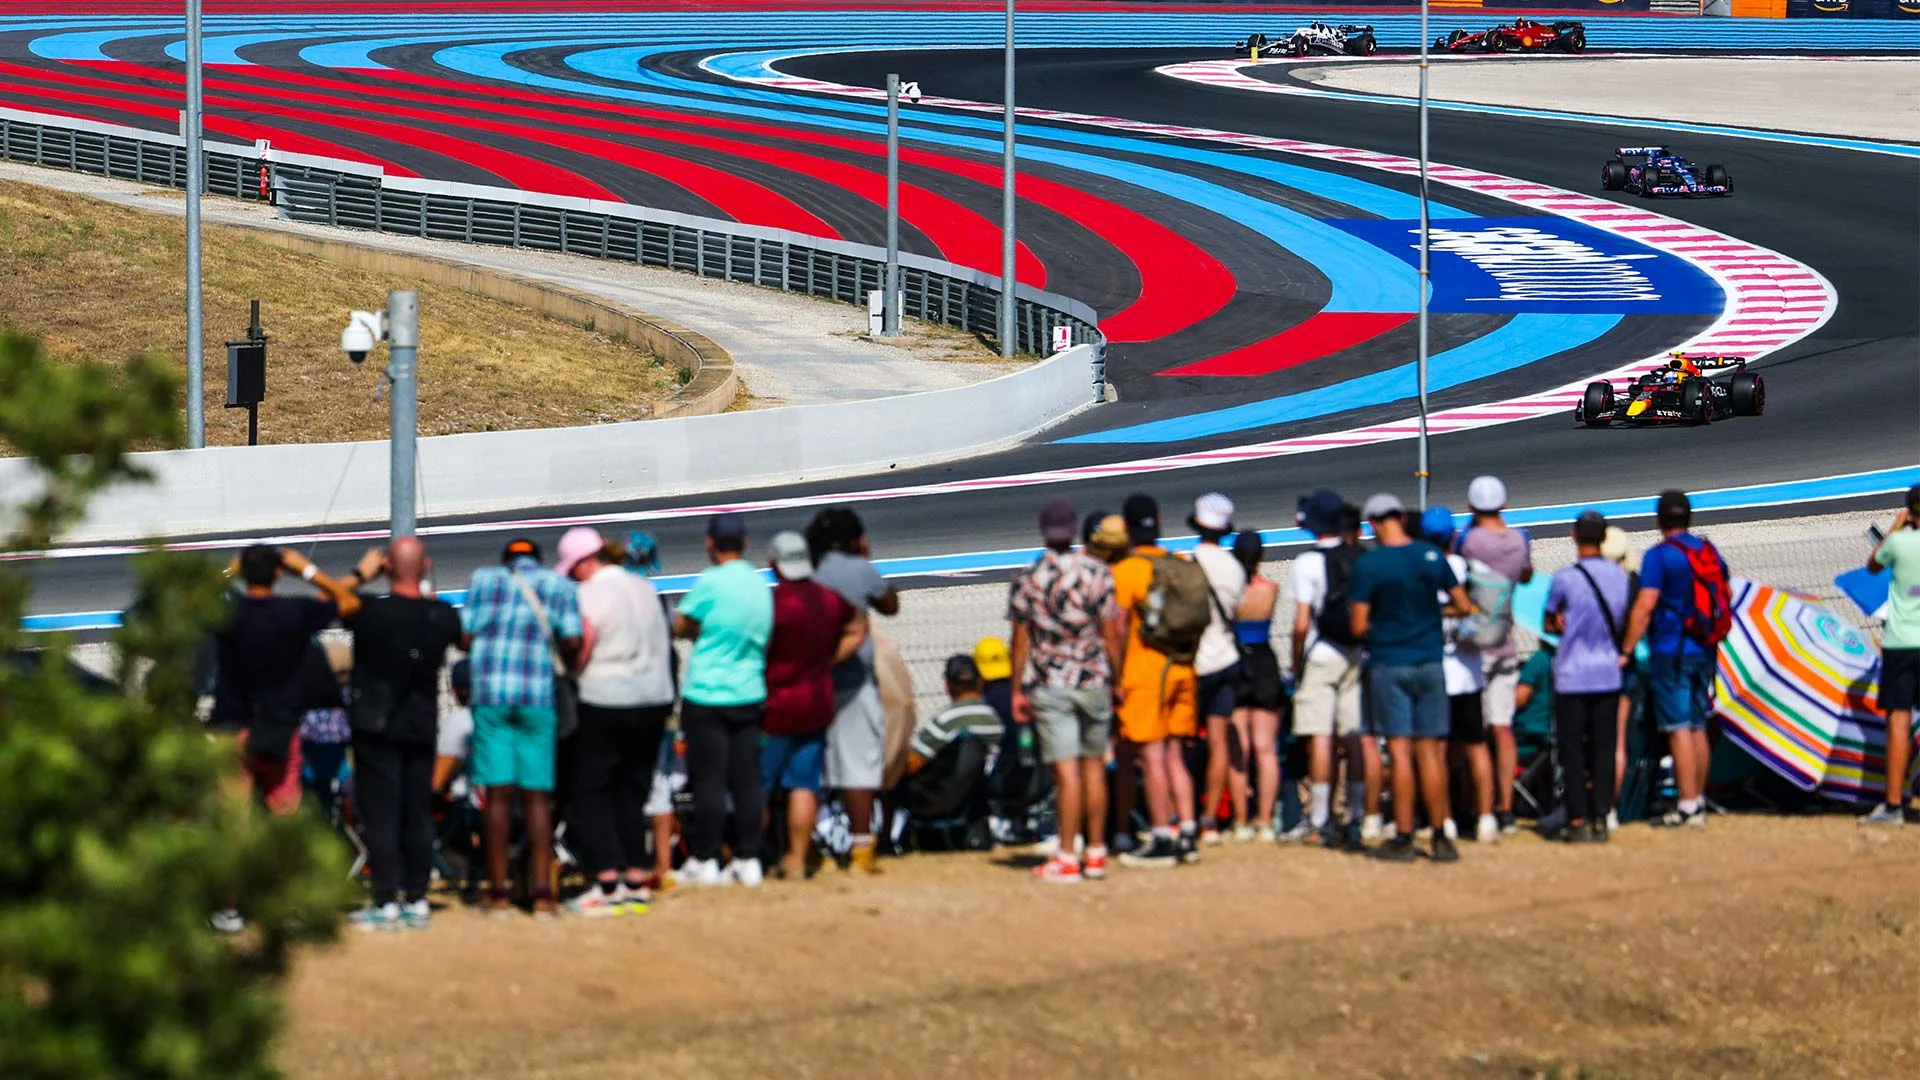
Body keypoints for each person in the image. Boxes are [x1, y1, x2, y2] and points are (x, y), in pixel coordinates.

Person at [334, 538, 462, 931]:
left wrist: (361, 573)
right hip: (420, 723)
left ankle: (386, 896)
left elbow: (333, 600)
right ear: (426, 566)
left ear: (387, 567)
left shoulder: (371, 611)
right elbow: (463, 638)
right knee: (417, 811)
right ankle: (417, 895)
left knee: (381, 813)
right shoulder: (441, 614)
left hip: (376, 724)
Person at [555, 527, 678, 916]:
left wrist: (569, 668)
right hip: (654, 696)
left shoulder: (590, 593)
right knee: (633, 790)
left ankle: (608, 882)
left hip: (607, 697)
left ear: (585, 562)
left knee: (591, 790)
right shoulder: (644, 588)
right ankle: (636, 878)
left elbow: (583, 646)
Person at [460, 537, 582, 918]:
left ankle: (498, 891)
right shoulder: (557, 585)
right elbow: (573, 638)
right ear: (539, 559)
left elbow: (465, 636)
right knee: (537, 796)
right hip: (537, 697)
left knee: (497, 795)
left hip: (492, 696)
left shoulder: (483, 580)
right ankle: (543, 893)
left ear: (506, 561)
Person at [1350, 494, 1472, 863]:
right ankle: (1440, 834)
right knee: (1430, 751)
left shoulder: (1370, 564)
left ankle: (1404, 835)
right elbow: (1463, 605)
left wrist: (1385, 625)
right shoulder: (1429, 555)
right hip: (1430, 661)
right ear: (1402, 518)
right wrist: (1431, 613)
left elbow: (1358, 625)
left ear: (1373, 524)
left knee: (1400, 751)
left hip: (1390, 662)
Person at [1009, 497, 1122, 884]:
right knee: (1094, 765)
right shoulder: (1097, 572)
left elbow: (1020, 639)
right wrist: (1118, 678)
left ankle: (1068, 855)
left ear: (1044, 531)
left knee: (1066, 771)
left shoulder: (1030, 577)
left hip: (1052, 683)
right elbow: (1111, 632)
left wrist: (1016, 689)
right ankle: (1096, 852)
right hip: (1093, 680)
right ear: (1073, 531)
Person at [212, 545, 356, 814]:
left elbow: (193, 598)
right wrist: (307, 570)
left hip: (233, 726)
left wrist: (230, 570)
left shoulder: (229, 612)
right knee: (284, 813)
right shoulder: (294, 611)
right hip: (279, 726)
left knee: (234, 818)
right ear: (278, 574)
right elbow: (350, 602)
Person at [673, 513, 774, 886]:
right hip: (749, 691)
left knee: (709, 780)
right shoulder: (759, 585)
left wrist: (700, 631)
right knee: (747, 779)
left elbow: (681, 624)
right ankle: (748, 858)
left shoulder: (711, 582)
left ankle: (706, 857)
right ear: (745, 543)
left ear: (710, 543)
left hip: (708, 694)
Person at [1619, 490, 1728, 830]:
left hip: (1672, 649)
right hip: (1705, 648)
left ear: (1659, 520)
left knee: (1679, 727)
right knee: (1697, 724)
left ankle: (1687, 805)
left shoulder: (1660, 556)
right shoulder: (1707, 551)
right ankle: (1697, 799)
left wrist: (1626, 649)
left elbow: (1646, 604)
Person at [762, 530, 867, 880]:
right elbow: (859, 627)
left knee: (759, 784)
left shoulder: (773, 604)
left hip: (776, 706)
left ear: (774, 565)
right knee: (804, 783)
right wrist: (830, 659)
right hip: (816, 702)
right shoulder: (829, 598)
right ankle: (796, 858)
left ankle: (753, 856)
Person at [1112, 494, 1202, 868]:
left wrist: (1115, 674)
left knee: (1152, 758)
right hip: (1182, 668)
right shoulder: (1178, 562)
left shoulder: (1127, 571)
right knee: (1175, 756)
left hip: (1146, 673)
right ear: (1160, 521)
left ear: (1126, 528)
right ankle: (1189, 832)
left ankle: (1162, 835)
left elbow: (1117, 627)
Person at [807, 507, 900, 873]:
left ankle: (806, 846)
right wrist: (865, 560)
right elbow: (890, 605)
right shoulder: (858, 568)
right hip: (852, 681)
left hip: (811, 681)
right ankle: (862, 846)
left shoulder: (811, 571)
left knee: (811, 768)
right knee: (858, 766)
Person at [1285, 490, 1379, 847]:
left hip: (1321, 654)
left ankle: (1321, 817)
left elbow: (1300, 624)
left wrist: (1296, 664)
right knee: (1353, 736)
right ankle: (1355, 815)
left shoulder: (1307, 562)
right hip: (1355, 653)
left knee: (1321, 736)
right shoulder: (1360, 557)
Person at [1544, 511, 1632, 843]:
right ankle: (1601, 815)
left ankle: (1577, 817)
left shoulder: (1565, 578)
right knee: (1604, 747)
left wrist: (1563, 624)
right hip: (1607, 673)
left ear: (1574, 535)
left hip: (1573, 674)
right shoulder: (1620, 577)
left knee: (1572, 749)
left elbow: (1549, 621)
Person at [1457, 475, 1533, 835]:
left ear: (1472, 505)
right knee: (1503, 728)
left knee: (1474, 731)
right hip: (1506, 638)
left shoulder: (1469, 541)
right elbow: (1526, 575)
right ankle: (1505, 807)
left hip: (1475, 645)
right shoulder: (1519, 540)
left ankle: (1476, 806)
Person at [1422, 507, 1497, 846]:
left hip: (1437, 671)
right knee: (1476, 747)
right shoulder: (1472, 568)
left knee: (1438, 751)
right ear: (1454, 536)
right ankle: (1486, 819)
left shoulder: (1423, 570)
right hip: (1469, 672)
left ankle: (1446, 820)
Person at [1189, 493, 1248, 846]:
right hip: (1226, 658)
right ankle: (1210, 818)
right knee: (1219, 741)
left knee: (1180, 741)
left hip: (1194, 662)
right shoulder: (1234, 568)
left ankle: (1183, 816)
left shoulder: (1188, 564)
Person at [1862, 484, 1920, 825]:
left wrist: (1896, 528)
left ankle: (1893, 804)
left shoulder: (1898, 543)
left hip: (1901, 642)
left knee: (1899, 721)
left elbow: (1873, 565)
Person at [896, 655, 1005, 824]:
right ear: (980, 682)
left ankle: (885, 836)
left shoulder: (946, 720)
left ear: (947, 685)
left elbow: (911, 763)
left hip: (936, 796)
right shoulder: (994, 718)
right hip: (979, 796)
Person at [1230, 530, 1284, 841]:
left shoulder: (1231, 593)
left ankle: (1241, 820)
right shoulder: (1270, 589)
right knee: (1265, 748)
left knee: (1240, 748)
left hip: (1237, 658)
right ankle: (1265, 820)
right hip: (1263, 660)